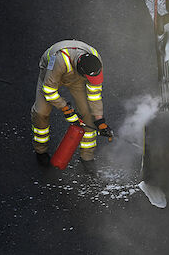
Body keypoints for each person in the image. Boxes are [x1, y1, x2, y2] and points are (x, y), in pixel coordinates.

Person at [31, 40, 113, 168]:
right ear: (81, 70)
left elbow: (94, 95)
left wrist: (100, 120)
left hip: (77, 79)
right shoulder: (59, 59)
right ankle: (41, 150)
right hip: (50, 74)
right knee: (41, 112)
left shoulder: (95, 61)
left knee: (87, 115)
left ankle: (87, 157)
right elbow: (48, 90)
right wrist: (65, 108)